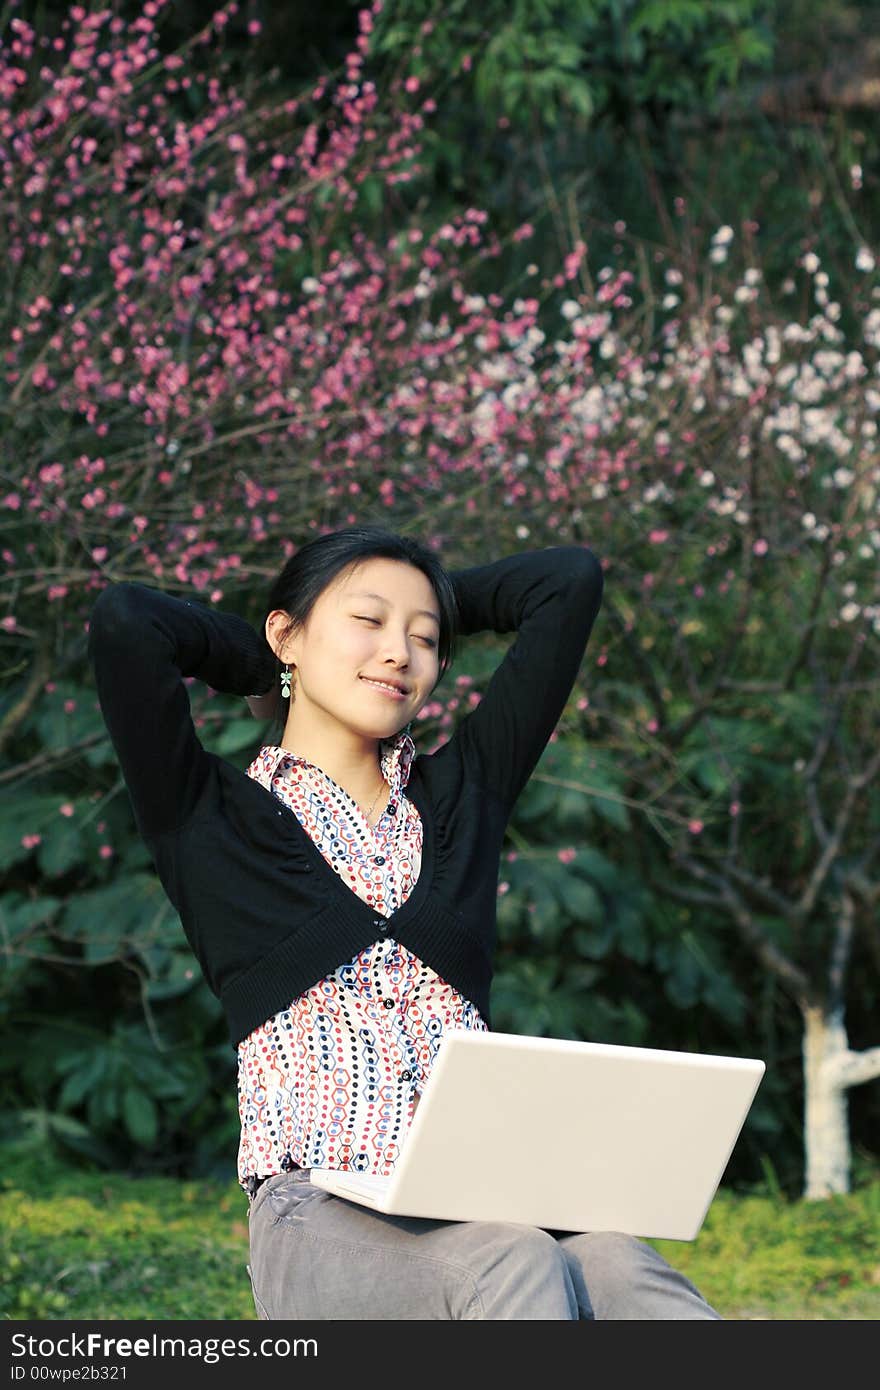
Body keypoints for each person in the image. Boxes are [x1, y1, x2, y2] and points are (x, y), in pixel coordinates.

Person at [87, 523, 720, 1320]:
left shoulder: (464, 796)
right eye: (368, 621)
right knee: (514, 1259)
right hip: (317, 1213)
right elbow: (125, 622)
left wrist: (431, 605)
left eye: (426, 639)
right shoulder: (209, 817)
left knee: (623, 1267)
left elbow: (568, 580)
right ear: (289, 633)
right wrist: (265, 659)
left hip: (482, 1199)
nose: (400, 652)